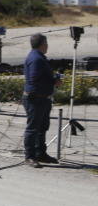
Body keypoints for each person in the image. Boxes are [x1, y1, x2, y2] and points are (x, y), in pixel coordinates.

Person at [22, 33, 60, 167]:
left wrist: (53, 81)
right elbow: (34, 80)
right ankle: (30, 156)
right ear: (42, 44)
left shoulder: (38, 57)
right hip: (35, 99)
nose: (47, 45)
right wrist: (52, 83)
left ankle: (41, 153)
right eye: (46, 43)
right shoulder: (36, 59)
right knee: (33, 128)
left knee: (42, 127)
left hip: (42, 98)